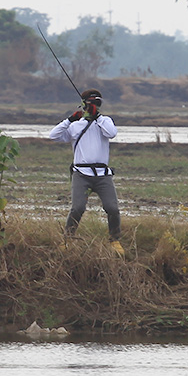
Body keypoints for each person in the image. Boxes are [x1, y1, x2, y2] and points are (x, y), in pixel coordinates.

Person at [49, 89, 123, 255]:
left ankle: (115, 240)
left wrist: (97, 118)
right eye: (91, 104)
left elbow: (112, 133)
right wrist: (69, 120)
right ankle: (67, 239)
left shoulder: (105, 122)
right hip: (81, 174)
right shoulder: (75, 126)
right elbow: (53, 136)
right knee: (77, 208)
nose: (94, 107)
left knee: (112, 208)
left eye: (97, 104)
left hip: (102, 175)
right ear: (83, 105)